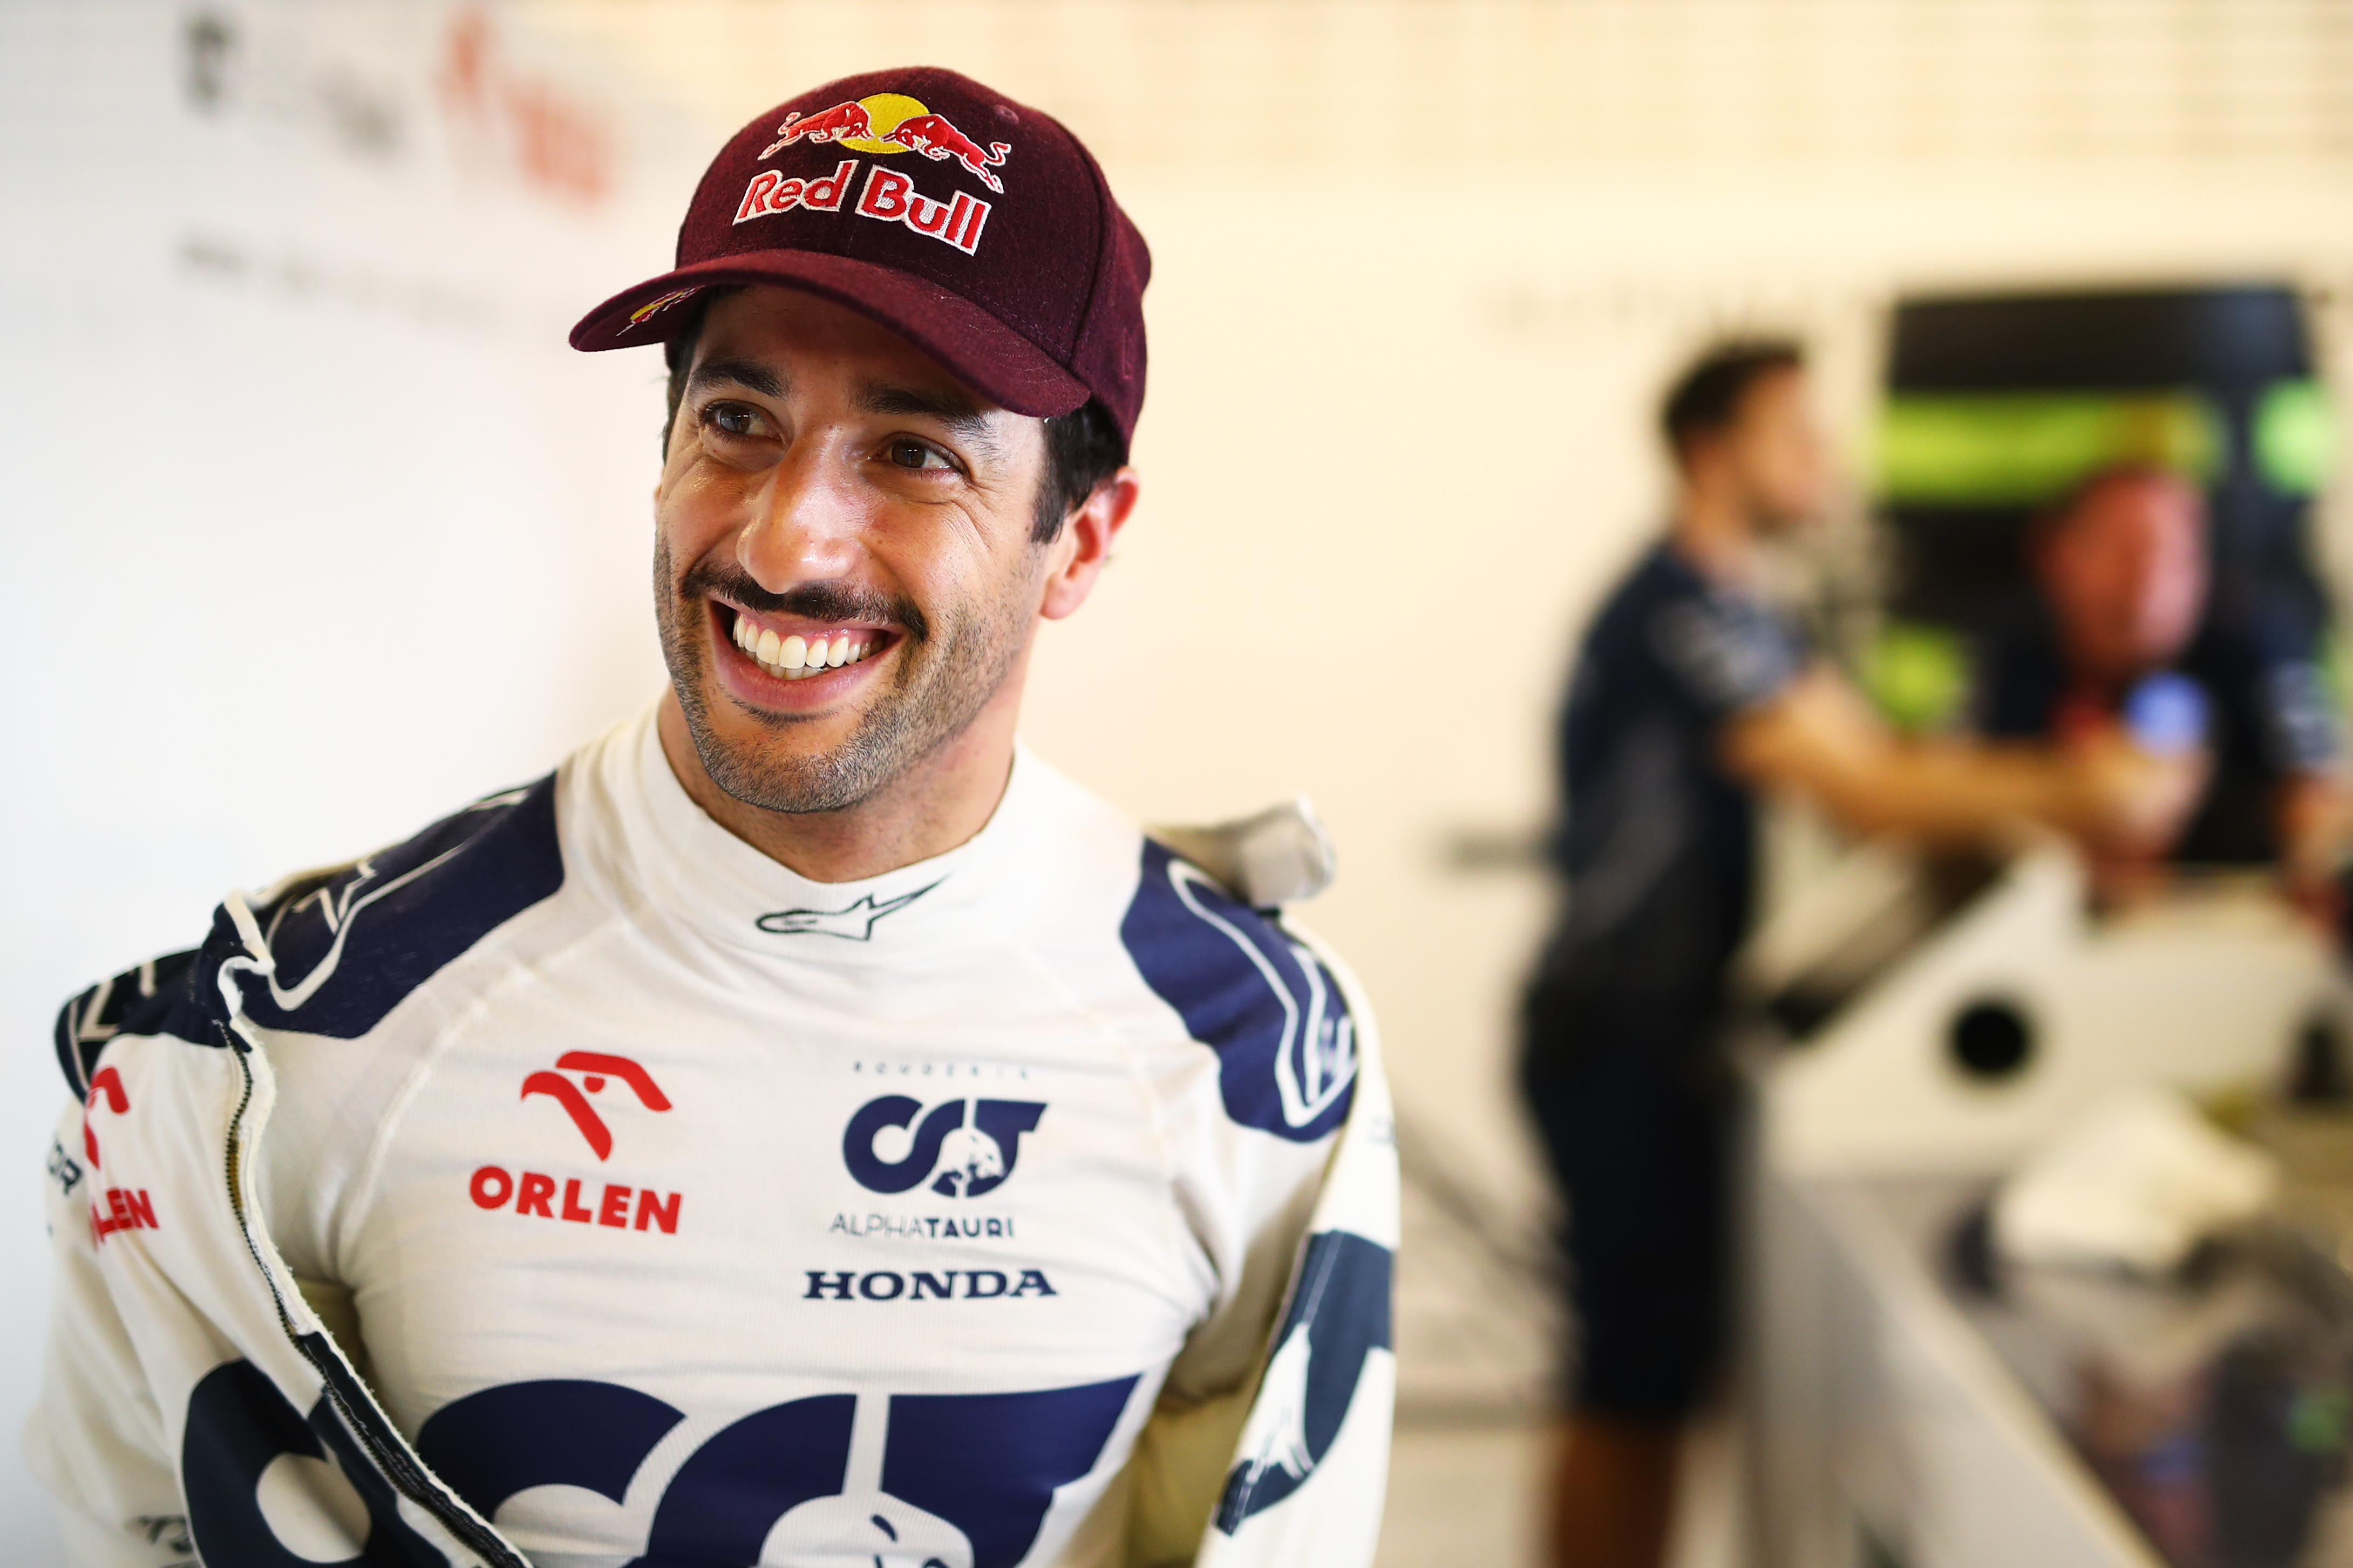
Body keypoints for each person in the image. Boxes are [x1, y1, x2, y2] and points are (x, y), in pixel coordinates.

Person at [32, 67, 1396, 1568]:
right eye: (737, 415)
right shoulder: (301, 1027)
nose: (785, 537)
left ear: (1078, 540)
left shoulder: (1254, 1054)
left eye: (914, 451)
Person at [1519, 341, 2207, 1568]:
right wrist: (2081, 789)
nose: (1822, 462)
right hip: (1612, 1034)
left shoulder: (1741, 609)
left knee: (1659, 1377)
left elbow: (1891, 761)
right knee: (1625, 1384)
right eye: (1794, 437)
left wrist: (2045, 801)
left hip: (1670, 1037)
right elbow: (1862, 792)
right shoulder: (1679, 612)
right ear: (1708, 453)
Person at [1971, 463, 2349, 912]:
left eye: (2176, 556)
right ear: (2056, 556)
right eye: (2121, 550)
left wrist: (2311, 849)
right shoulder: (2007, 651)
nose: (2147, 582)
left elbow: (2320, 801)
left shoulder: (2257, 646)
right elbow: (1946, 789)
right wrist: (2074, 797)